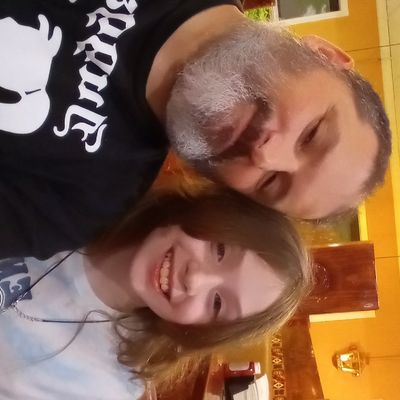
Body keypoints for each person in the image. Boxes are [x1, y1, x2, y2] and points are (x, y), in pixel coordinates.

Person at [0, 1, 391, 258]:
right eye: (311, 134)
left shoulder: (87, 202)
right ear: (325, 55)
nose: (265, 154)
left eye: (271, 182)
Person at [0, 184, 311, 399]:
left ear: (202, 331)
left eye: (217, 304)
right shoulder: (85, 192)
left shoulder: (105, 384)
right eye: (220, 250)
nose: (195, 279)